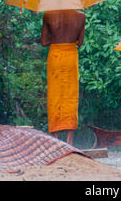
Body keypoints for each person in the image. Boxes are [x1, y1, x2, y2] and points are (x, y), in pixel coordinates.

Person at [41, 9, 85, 146]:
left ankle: (55, 139)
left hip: (55, 56)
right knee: (71, 95)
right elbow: (80, 42)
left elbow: (43, 41)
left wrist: (55, 37)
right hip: (71, 56)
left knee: (55, 95)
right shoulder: (81, 16)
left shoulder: (48, 15)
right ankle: (69, 141)